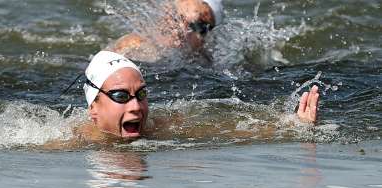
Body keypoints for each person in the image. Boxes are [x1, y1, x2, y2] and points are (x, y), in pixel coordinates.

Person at [78, 51, 319, 140]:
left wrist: (295, 127)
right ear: (93, 108)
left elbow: (235, 130)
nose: (136, 107)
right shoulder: (67, 140)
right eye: (121, 96)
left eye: (141, 94)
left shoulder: (163, 129)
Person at [107, 0, 223, 61]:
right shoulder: (132, 47)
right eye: (177, 18)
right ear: (165, 17)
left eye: (196, 26)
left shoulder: (207, 64)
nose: (182, 29)